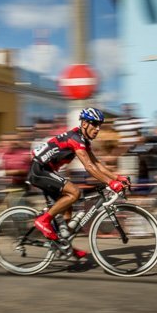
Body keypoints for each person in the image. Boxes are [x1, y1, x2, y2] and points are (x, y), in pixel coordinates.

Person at [29, 107, 130, 259]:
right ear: (84, 123)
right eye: (94, 124)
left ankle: (63, 246)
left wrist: (116, 177)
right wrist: (110, 183)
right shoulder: (75, 138)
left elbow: (96, 163)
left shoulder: (83, 139)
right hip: (40, 170)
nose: (97, 129)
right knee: (74, 192)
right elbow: (89, 167)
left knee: (67, 211)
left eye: (99, 126)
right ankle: (43, 221)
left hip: (48, 170)